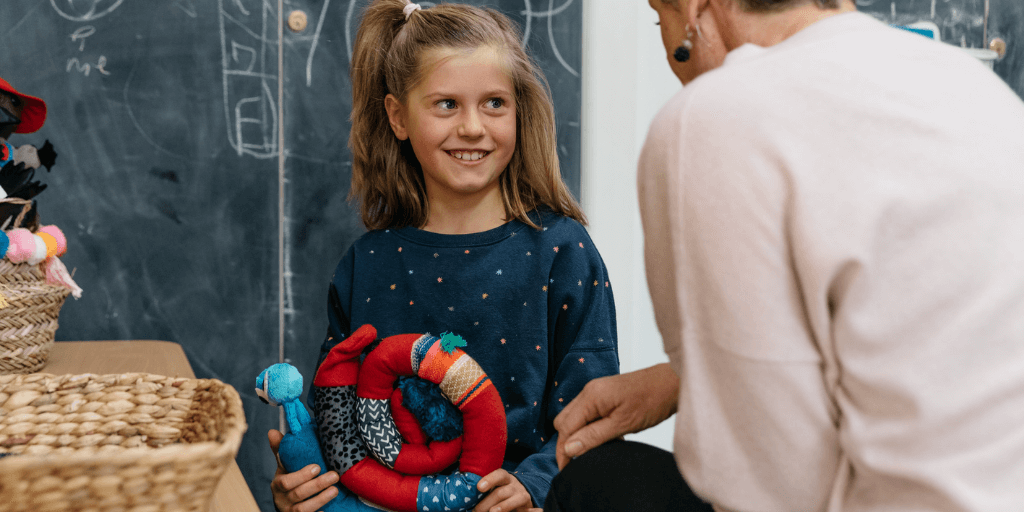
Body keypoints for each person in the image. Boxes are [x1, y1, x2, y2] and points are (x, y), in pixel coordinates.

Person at [549, 0, 1024, 510]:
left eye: (658, 19)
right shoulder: (974, 88)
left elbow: (768, 483)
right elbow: (926, 327)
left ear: (693, 10)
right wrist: (679, 381)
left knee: (594, 481)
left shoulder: (718, 115)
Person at [267, 1, 620, 511]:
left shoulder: (563, 252)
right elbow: (339, 414)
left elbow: (594, 411)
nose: (473, 127)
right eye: (447, 104)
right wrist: (300, 486)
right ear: (398, 116)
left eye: (495, 103)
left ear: (519, 109)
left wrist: (535, 486)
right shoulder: (366, 263)